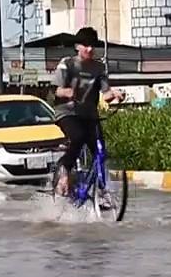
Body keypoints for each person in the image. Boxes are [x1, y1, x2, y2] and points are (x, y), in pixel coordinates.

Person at [51, 27, 123, 197]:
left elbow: (106, 95)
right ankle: (64, 172)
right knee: (78, 137)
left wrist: (116, 94)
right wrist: (67, 92)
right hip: (67, 112)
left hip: (89, 115)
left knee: (100, 150)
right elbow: (56, 91)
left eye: (92, 45)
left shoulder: (99, 68)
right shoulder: (67, 64)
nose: (90, 49)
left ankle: (101, 192)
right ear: (77, 46)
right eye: (85, 45)